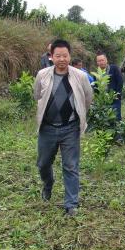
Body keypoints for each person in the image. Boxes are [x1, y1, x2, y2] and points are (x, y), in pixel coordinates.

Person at [33, 39, 93, 217]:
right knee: (43, 163)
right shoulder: (42, 75)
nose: (62, 59)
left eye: (65, 55)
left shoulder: (80, 76)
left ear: (70, 56)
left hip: (70, 128)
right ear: (51, 57)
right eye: (57, 55)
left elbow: (87, 98)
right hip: (47, 128)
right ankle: (48, 183)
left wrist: (78, 115)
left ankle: (71, 205)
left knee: (71, 166)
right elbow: (37, 95)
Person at [96, 51, 123, 121]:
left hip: (114, 98)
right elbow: (95, 87)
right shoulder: (96, 74)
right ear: (97, 63)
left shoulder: (114, 68)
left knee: (116, 117)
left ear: (106, 60)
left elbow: (120, 81)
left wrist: (117, 94)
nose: (101, 62)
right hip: (103, 100)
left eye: (102, 60)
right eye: (99, 61)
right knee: (106, 119)